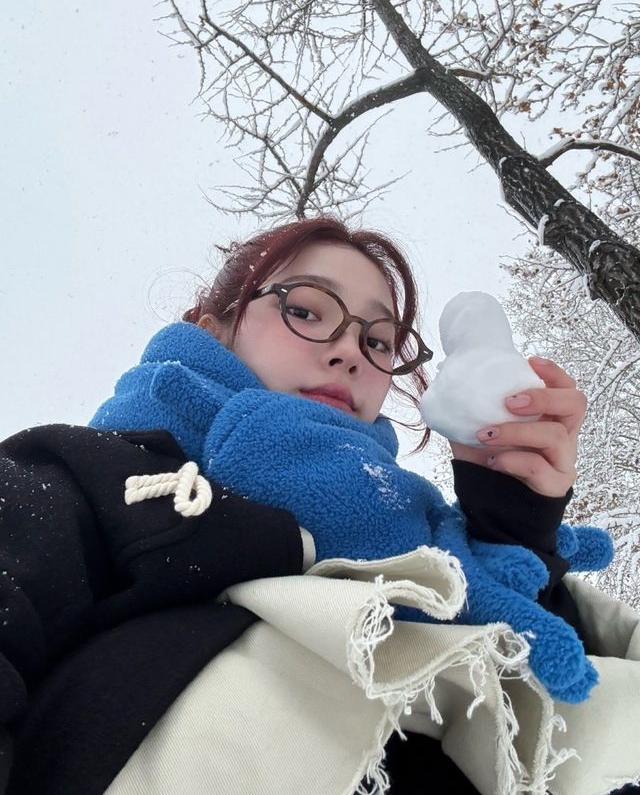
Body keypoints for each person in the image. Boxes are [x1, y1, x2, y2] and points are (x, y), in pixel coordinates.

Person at [0, 216, 638, 795]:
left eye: (380, 342)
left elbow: (559, 713)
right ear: (212, 326)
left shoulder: (429, 542)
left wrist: (513, 526)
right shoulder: (91, 480)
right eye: (306, 310)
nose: (350, 352)